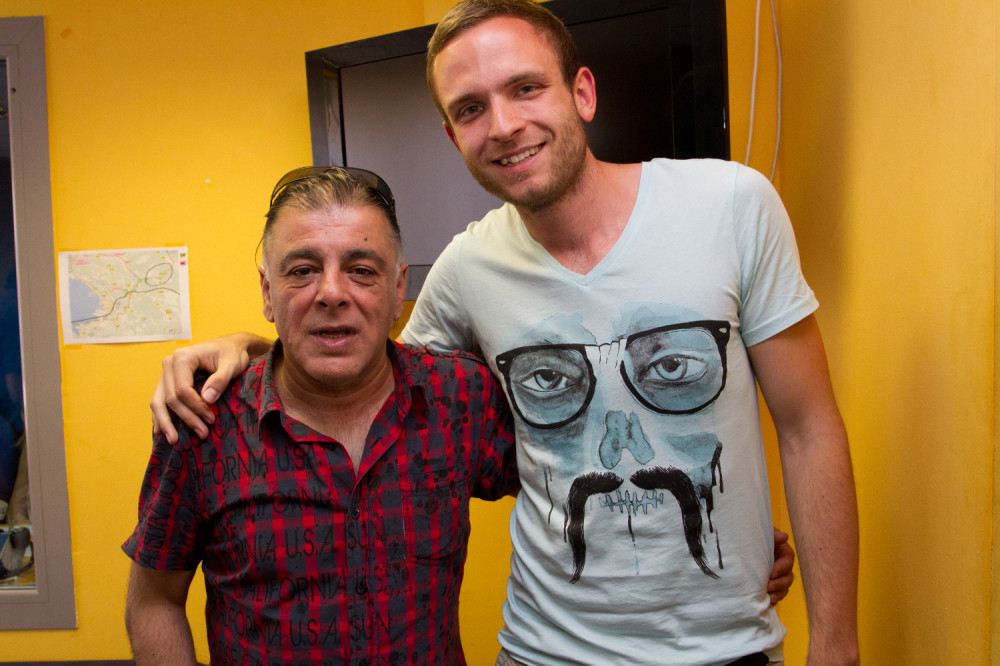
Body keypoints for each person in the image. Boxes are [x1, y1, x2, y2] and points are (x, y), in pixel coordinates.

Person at [151, 1, 848, 663]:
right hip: (543, 651)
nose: (505, 125)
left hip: (728, 648)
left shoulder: (730, 205)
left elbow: (809, 427)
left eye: (525, 88)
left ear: (582, 93)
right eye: (470, 109)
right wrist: (252, 348)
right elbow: (369, 375)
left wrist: (835, 643)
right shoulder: (467, 268)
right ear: (453, 137)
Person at [124, 167, 520, 664]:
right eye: (302, 270)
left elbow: (566, 486)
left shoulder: (462, 399)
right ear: (267, 292)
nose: (332, 292)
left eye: (362, 269)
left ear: (398, 289)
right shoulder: (204, 421)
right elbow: (155, 600)